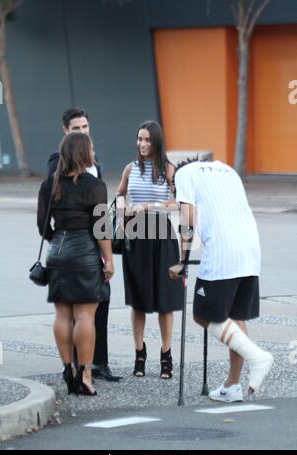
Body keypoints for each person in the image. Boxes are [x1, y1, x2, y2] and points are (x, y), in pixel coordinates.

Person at [169, 158, 273, 402]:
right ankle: (232, 386)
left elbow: (188, 219)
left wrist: (182, 261)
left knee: (202, 314)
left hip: (222, 252)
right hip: (250, 248)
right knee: (236, 317)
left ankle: (257, 356)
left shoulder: (183, 175)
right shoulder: (227, 170)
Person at [47, 107, 121, 382]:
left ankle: (95, 364)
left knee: (95, 305)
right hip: (85, 247)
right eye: (77, 128)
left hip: (75, 247)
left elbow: (44, 220)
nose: (82, 132)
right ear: (66, 131)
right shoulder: (56, 161)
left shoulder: (95, 163)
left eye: (85, 127)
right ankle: (81, 368)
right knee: (80, 310)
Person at [116, 120, 184, 379]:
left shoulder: (168, 169)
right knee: (139, 300)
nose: (143, 144)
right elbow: (120, 194)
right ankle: (139, 353)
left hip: (162, 235)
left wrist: (147, 206)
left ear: (156, 142)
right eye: (139, 139)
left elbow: (177, 203)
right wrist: (123, 207)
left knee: (165, 300)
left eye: (147, 140)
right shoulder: (130, 168)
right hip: (137, 236)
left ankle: (166, 356)